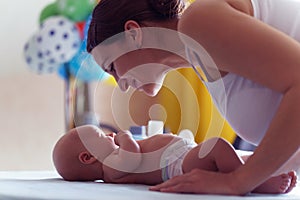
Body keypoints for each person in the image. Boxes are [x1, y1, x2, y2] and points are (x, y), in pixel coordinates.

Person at [86, 0, 300, 195]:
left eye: (112, 67)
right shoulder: (204, 64)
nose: (121, 85)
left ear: (133, 34)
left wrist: (236, 182)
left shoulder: (199, 22)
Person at [52, 125, 297, 195]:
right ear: (87, 157)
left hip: (183, 155)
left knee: (234, 156)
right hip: (178, 166)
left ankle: (260, 169)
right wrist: (126, 137)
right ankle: (255, 182)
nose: (111, 134)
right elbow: (133, 156)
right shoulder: (110, 168)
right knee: (218, 147)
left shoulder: (110, 159)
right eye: (101, 135)